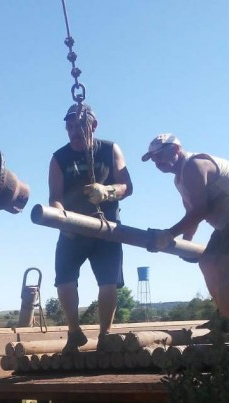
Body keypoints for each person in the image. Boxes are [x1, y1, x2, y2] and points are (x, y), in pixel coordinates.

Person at [142, 133, 229, 331]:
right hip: (228, 220)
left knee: (222, 265)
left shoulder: (195, 165)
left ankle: (227, 325)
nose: (156, 162)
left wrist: (169, 234)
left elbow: (201, 210)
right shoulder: (180, 179)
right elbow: (192, 212)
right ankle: (222, 316)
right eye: (153, 158)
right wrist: (186, 243)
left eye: (159, 156)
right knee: (206, 262)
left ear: (176, 150)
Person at [49, 103, 133, 352]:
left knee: (108, 281)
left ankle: (105, 334)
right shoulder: (59, 158)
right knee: (64, 279)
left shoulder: (109, 149)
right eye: (70, 126)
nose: (74, 131)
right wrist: (61, 219)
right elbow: (55, 196)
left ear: (93, 126)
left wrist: (107, 191)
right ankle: (74, 332)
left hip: (106, 228)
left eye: (80, 125)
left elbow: (127, 186)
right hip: (72, 228)